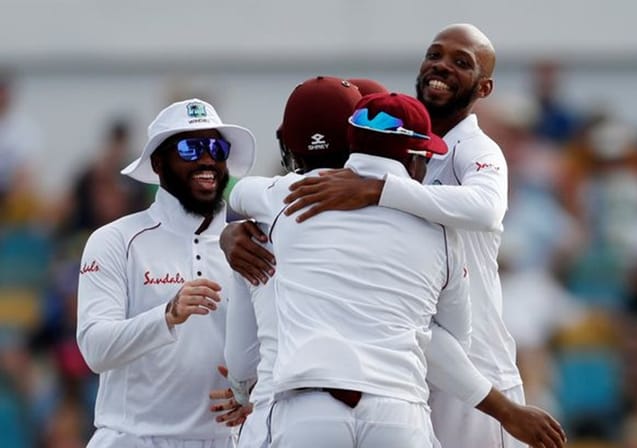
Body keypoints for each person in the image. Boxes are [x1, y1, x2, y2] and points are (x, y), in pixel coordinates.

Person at [225, 24, 567, 448]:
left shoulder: (474, 149)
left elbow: (487, 208)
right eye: (434, 55)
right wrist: (231, 231)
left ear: (485, 87)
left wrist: (377, 189)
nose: (442, 66)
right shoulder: (351, 189)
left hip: (472, 368)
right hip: (413, 376)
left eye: (461, 62)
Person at [228, 87, 477, 448]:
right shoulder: (441, 231)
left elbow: (238, 193)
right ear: (413, 160)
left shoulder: (286, 196)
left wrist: (230, 232)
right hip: (398, 410)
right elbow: (457, 340)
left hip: (308, 407)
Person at [76, 98, 255, 448]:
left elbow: (273, 345)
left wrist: (254, 389)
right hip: (132, 439)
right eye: (191, 148)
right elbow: (95, 350)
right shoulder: (116, 240)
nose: (207, 159)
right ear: (158, 163)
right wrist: (167, 315)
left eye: (217, 149)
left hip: (222, 440)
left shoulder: (247, 244)